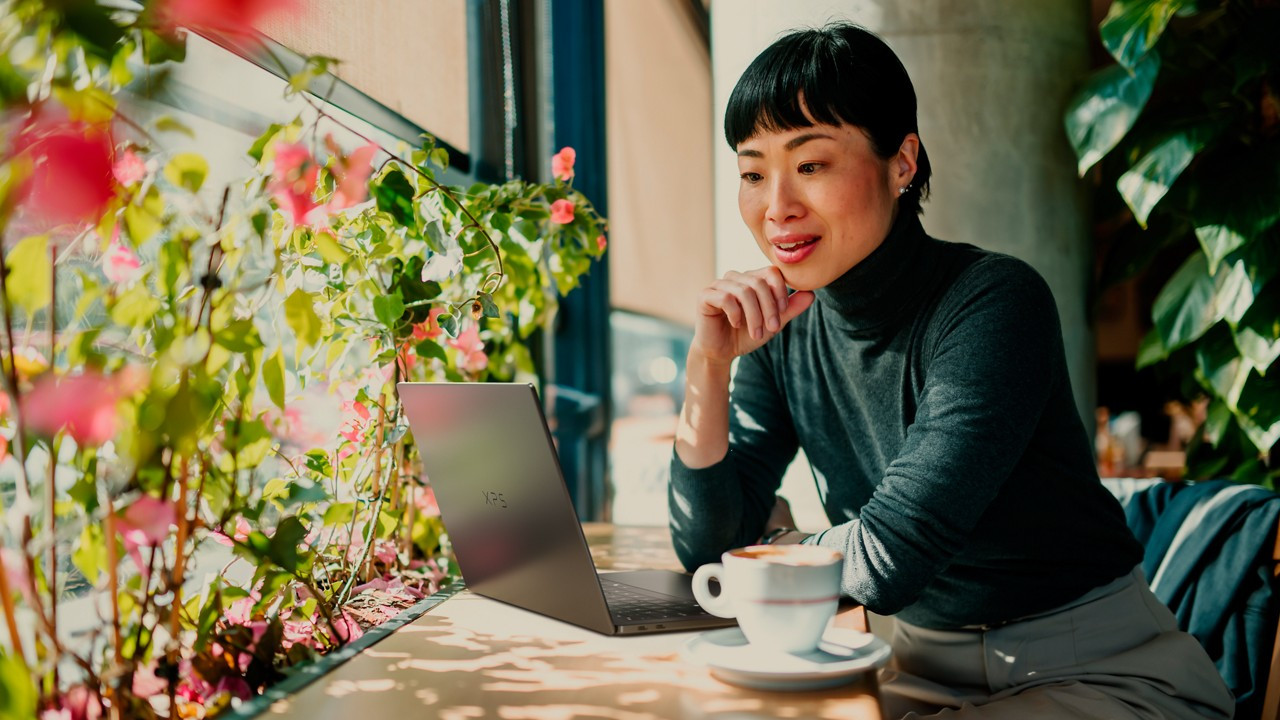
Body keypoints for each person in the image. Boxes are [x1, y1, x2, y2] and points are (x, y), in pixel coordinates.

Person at [668, 23, 1234, 720]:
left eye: (810, 164)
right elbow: (706, 551)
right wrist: (708, 364)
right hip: (915, 678)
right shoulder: (783, 330)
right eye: (753, 172)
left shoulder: (995, 304)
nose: (776, 203)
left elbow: (888, 557)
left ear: (902, 162)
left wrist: (769, 549)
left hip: (1102, 678)